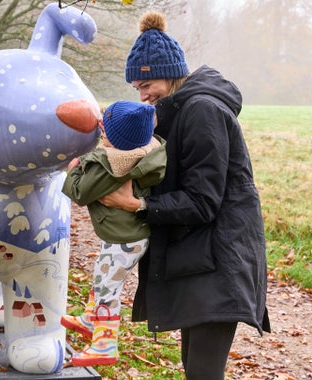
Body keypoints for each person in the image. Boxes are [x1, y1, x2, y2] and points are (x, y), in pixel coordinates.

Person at [97, 11, 271, 379]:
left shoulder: (202, 111)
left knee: (203, 373)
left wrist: (138, 205)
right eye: (137, 88)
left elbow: (203, 200)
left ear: (172, 73)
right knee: (196, 370)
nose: (143, 95)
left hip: (222, 261)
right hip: (202, 260)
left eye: (147, 85)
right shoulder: (178, 111)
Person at [61, 100, 167, 366]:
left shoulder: (113, 166)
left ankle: (104, 345)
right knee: (101, 275)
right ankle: (89, 319)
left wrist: (73, 170)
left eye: (105, 131)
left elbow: (80, 193)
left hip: (124, 239)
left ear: (116, 140)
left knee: (108, 288)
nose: (101, 131)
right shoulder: (144, 148)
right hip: (127, 235)